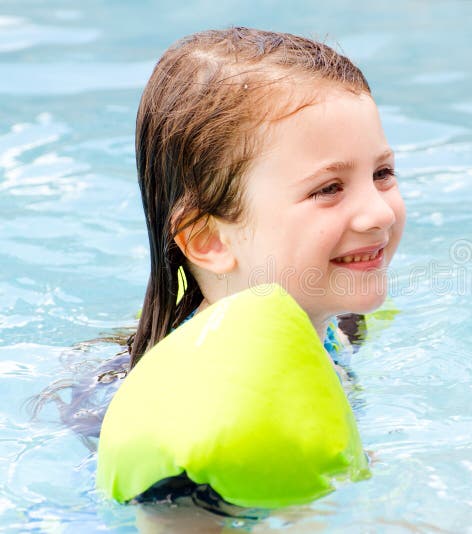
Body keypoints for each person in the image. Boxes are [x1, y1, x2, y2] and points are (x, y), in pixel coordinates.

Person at [130, 27, 405, 372]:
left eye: (382, 174)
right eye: (329, 189)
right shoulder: (209, 390)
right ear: (209, 240)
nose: (380, 214)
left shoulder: (329, 325)